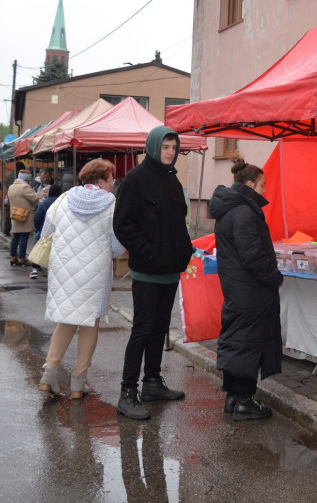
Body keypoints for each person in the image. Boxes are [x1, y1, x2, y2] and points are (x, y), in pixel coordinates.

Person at [113, 127, 193, 420]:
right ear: (153, 146)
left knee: (160, 329)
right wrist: (148, 251)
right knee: (143, 330)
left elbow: (178, 223)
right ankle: (127, 392)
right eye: (166, 146)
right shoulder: (135, 180)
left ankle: (152, 382)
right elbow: (123, 225)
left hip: (171, 270)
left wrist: (185, 250)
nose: (170, 152)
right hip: (147, 271)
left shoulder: (172, 180)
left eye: (174, 147)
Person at [37, 160, 125, 399]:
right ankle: (78, 382)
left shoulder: (63, 199)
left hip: (63, 269)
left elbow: (46, 232)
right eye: (111, 179)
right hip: (95, 273)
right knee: (89, 323)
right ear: (100, 181)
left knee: (65, 319)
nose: (113, 183)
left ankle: (49, 375)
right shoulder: (112, 205)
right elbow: (117, 246)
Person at [209, 158, 283, 421]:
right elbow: (252, 256)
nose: (265, 190)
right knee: (248, 344)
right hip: (250, 291)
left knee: (237, 340)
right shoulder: (243, 212)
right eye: (262, 185)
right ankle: (244, 401)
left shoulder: (232, 209)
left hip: (238, 288)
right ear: (250, 184)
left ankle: (233, 396)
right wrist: (274, 277)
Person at [7, 168, 39, 266]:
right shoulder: (25, 187)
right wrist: (37, 193)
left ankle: (13, 257)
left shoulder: (11, 187)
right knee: (24, 236)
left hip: (15, 213)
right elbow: (35, 198)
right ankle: (22, 258)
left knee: (15, 236)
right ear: (26, 178)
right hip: (25, 215)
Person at [31, 184, 63, 279]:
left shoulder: (44, 203)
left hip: (44, 230)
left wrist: (37, 228)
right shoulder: (62, 202)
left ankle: (34, 269)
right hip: (58, 231)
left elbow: (37, 217)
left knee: (39, 249)